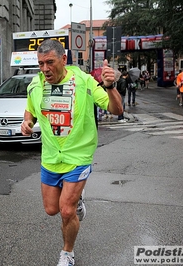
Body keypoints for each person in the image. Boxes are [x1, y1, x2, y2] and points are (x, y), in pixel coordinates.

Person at [20, 39, 122, 266]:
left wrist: (110, 86)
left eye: (50, 62)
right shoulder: (35, 85)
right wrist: (26, 123)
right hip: (51, 157)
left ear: (63, 60)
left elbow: (116, 109)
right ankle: (77, 201)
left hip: (78, 157)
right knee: (51, 210)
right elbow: (30, 112)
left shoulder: (85, 82)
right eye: (41, 64)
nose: (45, 69)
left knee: (66, 212)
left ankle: (67, 252)